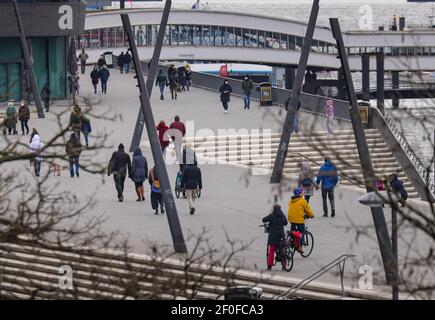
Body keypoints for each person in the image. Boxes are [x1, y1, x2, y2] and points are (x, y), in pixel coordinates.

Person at [287, 187, 315, 253]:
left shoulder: (291, 200)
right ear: (300, 194)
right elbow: (308, 210)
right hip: (299, 219)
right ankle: (300, 246)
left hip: (291, 218)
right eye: (302, 192)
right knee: (301, 232)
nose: (303, 194)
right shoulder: (303, 201)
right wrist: (312, 215)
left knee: (293, 231)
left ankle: (291, 242)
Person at [262, 204, 288, 271]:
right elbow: (285, 223)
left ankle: (269, 266)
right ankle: (284, 265)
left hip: (273, 236)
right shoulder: (282, 216)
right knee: (283, 250)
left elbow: (263, 219)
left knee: (271, 251)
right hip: (281, 236)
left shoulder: (271, 216)